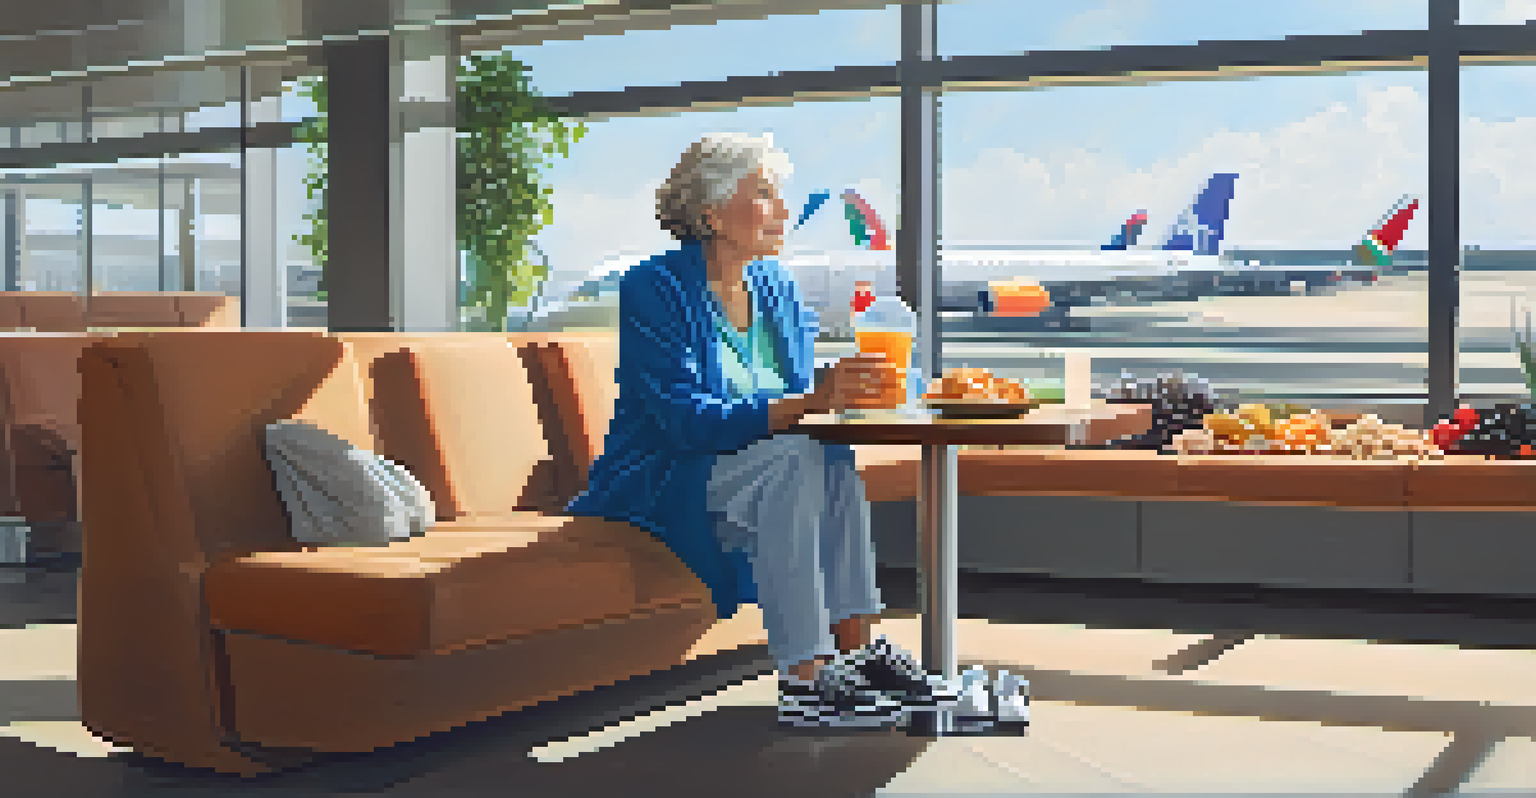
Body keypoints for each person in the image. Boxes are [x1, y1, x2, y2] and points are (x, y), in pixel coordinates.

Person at [566, 133, 958, 729]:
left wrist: (859, 393)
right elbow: (685, 423)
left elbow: (799, 402)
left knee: (826, 453)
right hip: (666, 474)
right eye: (765, 195)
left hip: (758, 467)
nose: (783, 211)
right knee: (801, 455)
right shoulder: (655, 287)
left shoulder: (777, 287)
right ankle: (805, 677)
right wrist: (811, 402)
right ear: (711, 213)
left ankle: (855, 650)